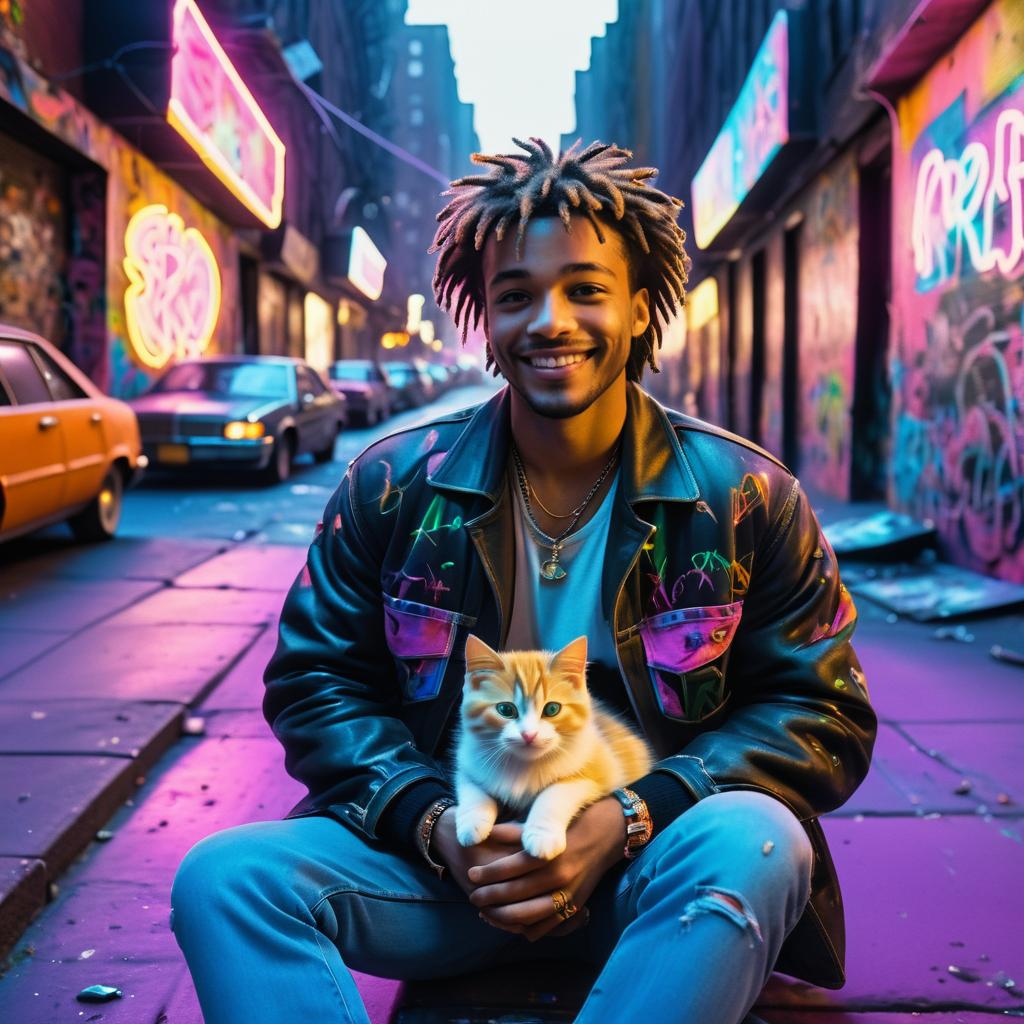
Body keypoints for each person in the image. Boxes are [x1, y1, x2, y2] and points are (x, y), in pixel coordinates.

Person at [170, 139, 877, 1024]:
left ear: (639, 303)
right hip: (450, 873)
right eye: (516, 295)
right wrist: (432, 825)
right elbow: (317, 686)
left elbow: (823, 714)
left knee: (759, 839)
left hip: (648, 874)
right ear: (486, 318)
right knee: (222, 881)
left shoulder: (744, 497)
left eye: (586, 288)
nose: (551, 320)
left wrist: (627, 819)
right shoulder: (395, 486)